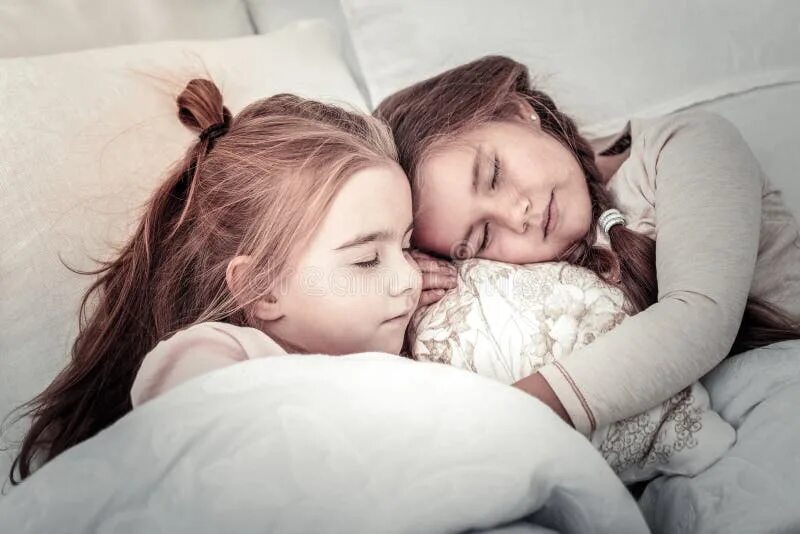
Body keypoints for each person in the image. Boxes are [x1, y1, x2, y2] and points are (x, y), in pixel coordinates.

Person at [6, 79, 420, 484]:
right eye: (367, 260)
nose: (408, 278)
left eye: (407, 246)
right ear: (261, 287)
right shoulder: (209, 356)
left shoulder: (396, 349)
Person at [375, 55, 800, 435]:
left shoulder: (688, 144)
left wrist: (502, 420)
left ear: (518, 112)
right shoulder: (522, 283)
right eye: (483, 236)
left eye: (494, 175)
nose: (516, 215)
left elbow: (699, 317)